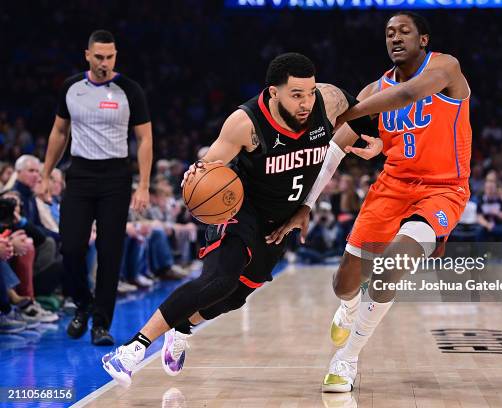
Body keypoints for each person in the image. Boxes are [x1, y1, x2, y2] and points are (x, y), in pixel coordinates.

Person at [101, 53, 382, 387]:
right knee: (219, 280)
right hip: (239, 211)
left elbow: (365, 117)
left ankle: (180, 326)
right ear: (274, 93)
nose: (306, 102)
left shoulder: (329, 100)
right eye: (296, 95)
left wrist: (377, 141)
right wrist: (196, 176)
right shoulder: (245, 123)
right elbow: (207, 171)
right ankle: (132, 349)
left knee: (232, 298)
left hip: (281, 222)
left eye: (309, 92)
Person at [269, 12, 471, 392]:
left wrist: (347, 112)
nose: (395, 38)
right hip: (391, 187)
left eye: (404, 31)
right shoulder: (372, 90)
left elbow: (409, 94)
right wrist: (306, 205)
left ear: (423, 40)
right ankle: (349, 307)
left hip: (443, 190)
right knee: (344, 284)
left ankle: (346, 360)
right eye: (389, 33)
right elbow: (333, 152)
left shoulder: (446, 68)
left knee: (391, 268)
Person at [41, 29, 153, 345]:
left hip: (116, 177)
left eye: (111, 57)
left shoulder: (130, 90)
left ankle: (100, 323)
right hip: (79, 174)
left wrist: (143, 184)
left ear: (116, 56)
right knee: (72, 247)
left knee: (109, 252)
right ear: (87, 55)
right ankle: (82, 304)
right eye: (99, 57)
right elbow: (59, 133)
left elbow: (144, 139)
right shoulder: (71, 87)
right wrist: (47, 173)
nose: (105, 62)